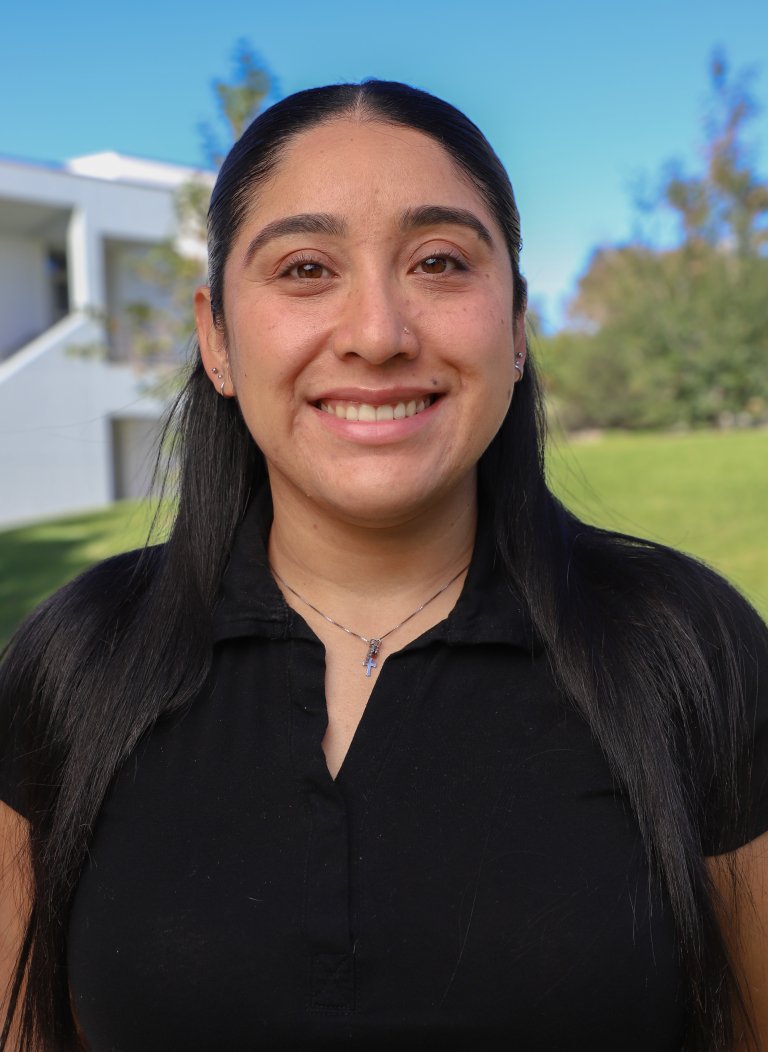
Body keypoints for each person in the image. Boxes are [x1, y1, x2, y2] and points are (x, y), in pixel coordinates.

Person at [1, 80, 767, 1052]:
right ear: (216, 338)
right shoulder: (76, 659)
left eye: (440, 261)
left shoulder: (686, 646)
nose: (377, 332)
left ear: (518, 327)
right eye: (307, 266)